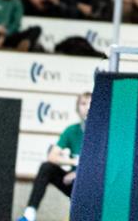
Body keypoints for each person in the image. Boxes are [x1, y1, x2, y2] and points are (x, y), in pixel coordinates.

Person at [18, 91, 91, 221]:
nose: (87, 107)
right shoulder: (71, 131)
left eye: (91, 103)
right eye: (83, 103)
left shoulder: (103, 132)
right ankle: (29, 215)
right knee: (47, 167)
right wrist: (73, 162)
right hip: (73, 184)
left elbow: (104, 165)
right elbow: (52, 156)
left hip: (92, 186)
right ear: (77, 108)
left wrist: (78, 173)